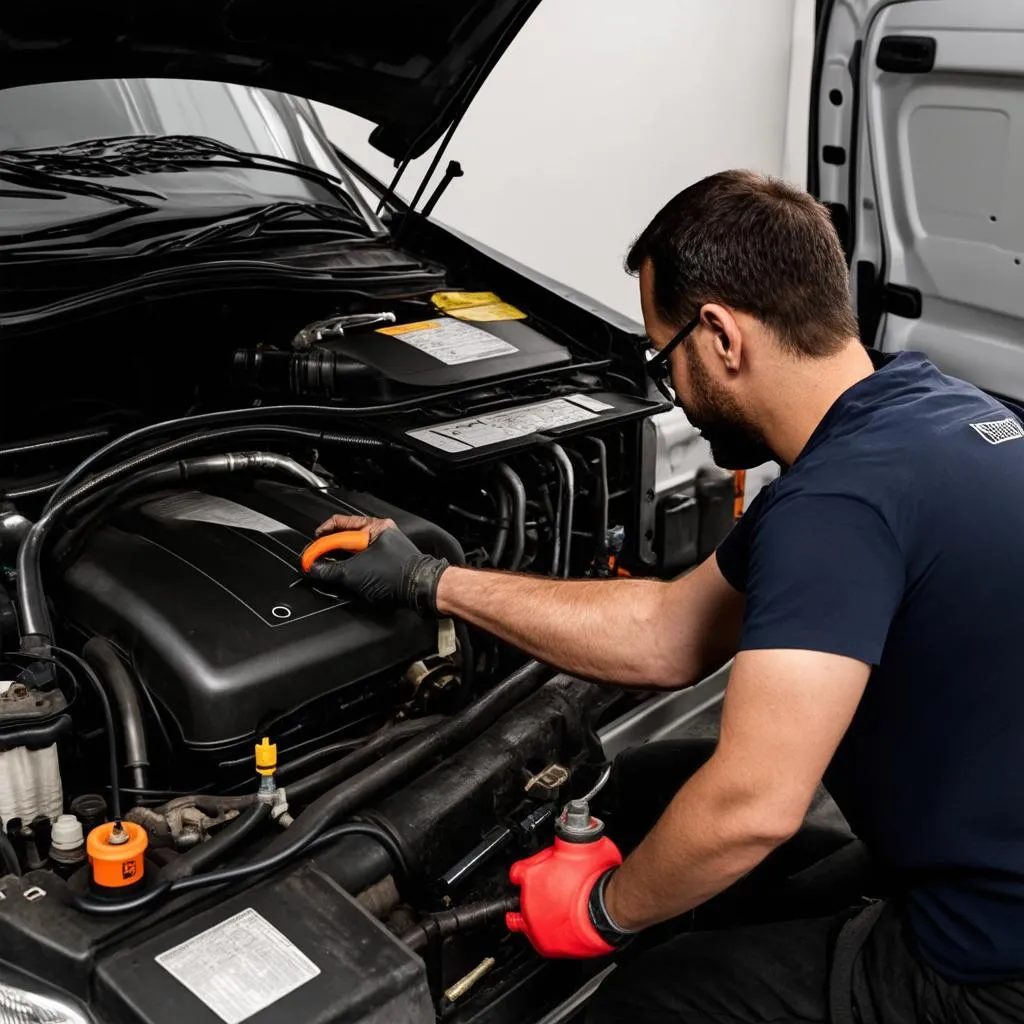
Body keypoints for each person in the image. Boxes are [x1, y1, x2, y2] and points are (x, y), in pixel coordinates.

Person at [309, 170, 1024, 1022]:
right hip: (990, 844)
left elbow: (753, 808)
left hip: (987, 961)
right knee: (658, 779)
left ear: (720, 334)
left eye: (665, 357)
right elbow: (668, 631)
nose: (673, 390)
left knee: (654, 998)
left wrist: (602, 910)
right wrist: (433, 583)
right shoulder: (927, 412)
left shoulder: (837, 503)